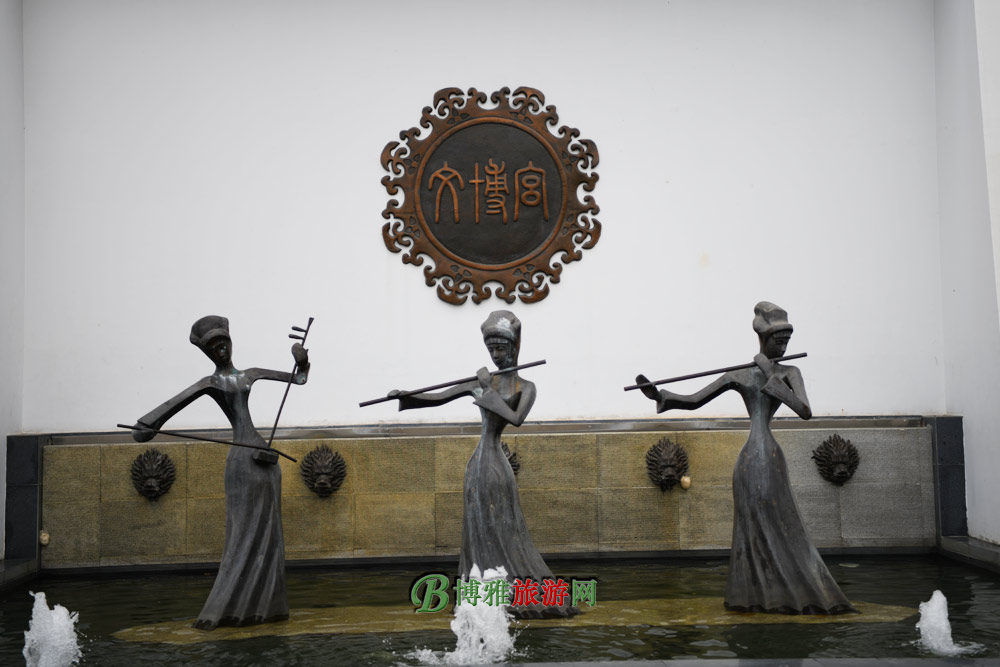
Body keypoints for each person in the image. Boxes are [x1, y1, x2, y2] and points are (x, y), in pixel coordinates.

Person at [635, 302, 855, 614]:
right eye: (778, 341)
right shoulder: (740, 374)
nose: (784, 347)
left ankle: (796, 592)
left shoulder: (790, 372)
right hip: (749, 460)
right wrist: (659, 395)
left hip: (771, 457)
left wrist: (771, 376)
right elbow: (695, 400)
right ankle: (753, 595)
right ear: (763, 338)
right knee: (751, 524)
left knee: (781, 521)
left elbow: (804, 411)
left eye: (787, 342)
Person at [390, 311, 577, 618]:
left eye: (501, 348)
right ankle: (481, 591)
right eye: (491, 349)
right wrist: (407, 397)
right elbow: (439, 397)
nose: (495, 355)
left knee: (504, 526)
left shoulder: (525, 387)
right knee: (477, 528)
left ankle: (518, 590)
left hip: (497, 467)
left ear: (514, 347)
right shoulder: (480, 382)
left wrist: (488, 391)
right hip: (476, 465)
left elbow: (515, 419)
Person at [131, 315, 309, 629]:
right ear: (206, 352)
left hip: (265, 461)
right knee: (243, 534)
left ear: (230, 342)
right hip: (241, 464)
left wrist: (302, 360)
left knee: (270, 534)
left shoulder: (252, 373)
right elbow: (151, 422)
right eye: (213, 347)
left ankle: (266, 607)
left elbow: (299, 379)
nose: (221, 350)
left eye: (223, 343)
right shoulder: (210, 383)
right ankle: (227, 609)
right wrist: (147, 426)